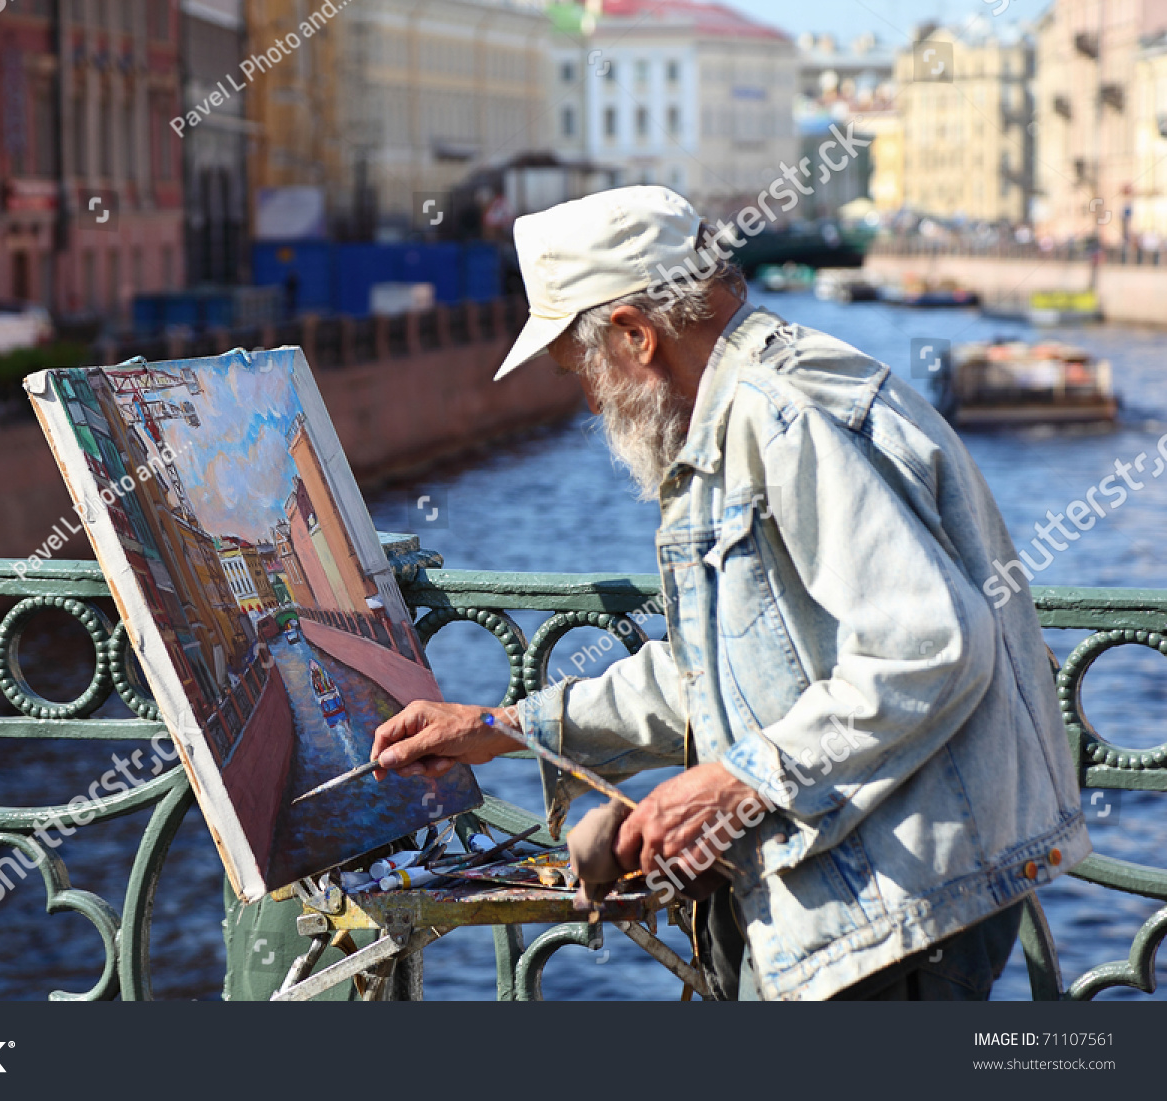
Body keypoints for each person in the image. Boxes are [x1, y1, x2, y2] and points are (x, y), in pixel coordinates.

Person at [370, 186, 1089, 1002]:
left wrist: (736, 782)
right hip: (869, 887)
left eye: (583, 370)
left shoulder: (781, 417)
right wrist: (503, 727)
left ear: (636, 335)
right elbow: (722, 667)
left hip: (897, 900)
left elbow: (926, 647)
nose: (590, 399)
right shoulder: (737, 411)